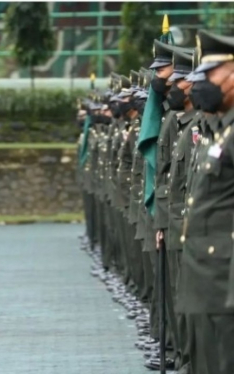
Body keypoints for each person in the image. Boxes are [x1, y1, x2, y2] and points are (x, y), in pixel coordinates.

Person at [177, 29, 234, 374]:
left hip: (223, 276)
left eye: (209, 75)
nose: (201, 85)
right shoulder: (225, 131)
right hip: (212, 276)